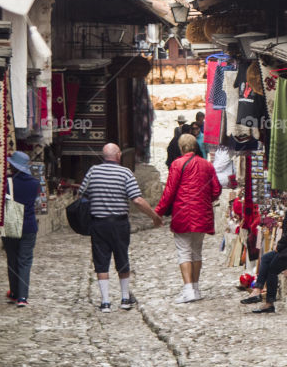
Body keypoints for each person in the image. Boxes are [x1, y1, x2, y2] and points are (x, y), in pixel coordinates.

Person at [80, 143, 163, 312]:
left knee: (101, 261)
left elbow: (83, 194)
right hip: (119, 223)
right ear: (118, 155)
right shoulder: (125, 173)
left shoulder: (93, 171)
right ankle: (125, 298)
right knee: (122, 258)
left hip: (98, 223)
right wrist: (154, 216)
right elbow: (137, 200)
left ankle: (105, 302)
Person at [156, 133, 221, 304]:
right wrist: (206, 200)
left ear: (181, 147)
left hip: (182, 213)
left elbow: (169, 191)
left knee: (184, 251)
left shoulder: (177, 164)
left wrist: (158, 212)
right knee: (196, 251)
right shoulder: (207, 165)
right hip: (202, 213)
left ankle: (188, 289)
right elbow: (216, 189)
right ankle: (196, 288)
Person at [4, 150, 41, 308]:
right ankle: (23, 297)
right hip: (29, 225)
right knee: (25, 260)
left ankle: (14, 292)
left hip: (12, 223)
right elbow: (37, 204)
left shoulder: (8, 183)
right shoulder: (35, 183)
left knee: (12, 259)